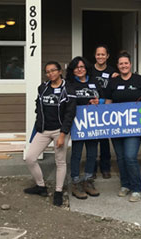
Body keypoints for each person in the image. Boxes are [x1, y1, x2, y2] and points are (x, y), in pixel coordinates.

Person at [24, 61, 76, 206]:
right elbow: (38, 104)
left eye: (53, 70)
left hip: (60, 130)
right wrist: (39, 117)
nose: (50, 73)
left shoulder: (68, 89)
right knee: (30, 158)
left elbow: (70, 113)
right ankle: (41, 186)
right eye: (47, 71)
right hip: (43, 130)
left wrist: (62, 134)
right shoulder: (43, 88)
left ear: (60, 71)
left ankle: (58, 191)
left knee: (60, 161)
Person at [105, 51, 141, 202]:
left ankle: (137, 188)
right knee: (120, 157)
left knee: (130, 156)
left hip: (134, 126)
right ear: (117, 66)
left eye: (126, 63)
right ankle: (125, 185)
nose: (124, 66)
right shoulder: (112, 82)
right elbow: (108, 103)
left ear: (130, 64)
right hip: (116, 126)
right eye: (121, 64)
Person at [66, 56, 104, 199]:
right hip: (78, 123)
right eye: (76, 67)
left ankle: (88, 180)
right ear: (72, 70)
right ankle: (75, 182)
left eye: (82, 67)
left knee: (92, 152)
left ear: (86, 68)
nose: (80, 69)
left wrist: (98, 101)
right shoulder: (69, 84)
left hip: (93, 123)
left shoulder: (94, 82)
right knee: (76, 153)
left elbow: (103, 98)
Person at [90, 45, 119, 179]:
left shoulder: (112, 71)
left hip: (107, 106)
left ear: (107, 56)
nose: (100, 57)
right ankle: (92, 167)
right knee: (93, 138)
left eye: (103, 54)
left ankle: (105, 167)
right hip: (92, 107)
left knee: (104, 139)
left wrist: (116, 77)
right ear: (95, 55)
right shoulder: (89, 70)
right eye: (98, 54)